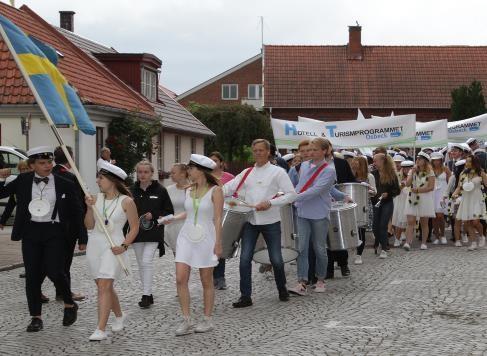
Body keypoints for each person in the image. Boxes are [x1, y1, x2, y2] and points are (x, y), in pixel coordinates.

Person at [0, 146, 82, 332]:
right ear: (32, 165)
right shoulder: (23, 180)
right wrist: (2, 179)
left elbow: (77, 212)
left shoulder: (65, 182)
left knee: (55, 271)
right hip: (30, 232)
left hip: (55, 232)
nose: (47, 166)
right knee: (32, 276)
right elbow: (1, 194)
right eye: (42, 163)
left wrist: (82, 237)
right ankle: (36, 317)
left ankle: (69, 303)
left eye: (49, 162)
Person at [224, 139, 297, 308]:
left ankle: (282, 289)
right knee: (244, 259)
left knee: (276, 259)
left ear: (268, 152)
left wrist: (271, 203)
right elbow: (227, 188)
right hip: (250, 220)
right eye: (255, 150)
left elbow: (291, 194)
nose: (258, 153)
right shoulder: (247, 172)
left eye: (261, 150)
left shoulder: (278, 172)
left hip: (271, 221)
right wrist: (211, 191)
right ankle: (245, 296)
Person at [165, 154, 223, 336]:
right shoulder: (189, 190)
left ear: (201, 170)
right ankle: (186, 320)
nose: (188, 171)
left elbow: (218, 218)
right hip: (186, 237)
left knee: (206, 280)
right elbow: (188, 213)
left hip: (206, 237)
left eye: (191, 168)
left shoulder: (216, 190)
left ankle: (207, 319)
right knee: (181, 278)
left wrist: (219, 243)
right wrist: (173, 218)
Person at [85, 161, 139, 341]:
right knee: (103, 286)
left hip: (114, 246)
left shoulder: (127, 201)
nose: (98, 181)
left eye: (101, 178)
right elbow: (89, 225)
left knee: (104, 286)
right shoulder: (95, 198)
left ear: (112, 180)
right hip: (95, 244)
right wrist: (89, 207)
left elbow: (134, 228)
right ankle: (119, 315)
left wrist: (124, 246)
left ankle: (100, 329)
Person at [289, 138, 344, 295]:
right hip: (302, 211)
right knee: (301, 247)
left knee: (319, 248)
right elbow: (300, 186)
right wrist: (289, 195)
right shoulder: (304, 166)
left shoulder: (329, 170)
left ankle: (320, 279)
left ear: (325, 151)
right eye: (310, 149)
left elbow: (317, 190)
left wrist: (293, 197)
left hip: (319, 212)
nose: (311, 152)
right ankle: (302, 282)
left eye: (315, 150)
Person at [46, 146, 88, 302]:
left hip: (47, 225)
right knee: (65, 261)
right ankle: (65, 292)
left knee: (51, 260)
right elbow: (78, 207)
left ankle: (57, 291)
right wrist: (82, 235)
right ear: (70, 158)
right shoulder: (70, 177)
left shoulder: (48, 174)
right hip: (67, 228)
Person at [130, 160, 174, 308]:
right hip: (136, 233)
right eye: (140, 172)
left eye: (145, 172)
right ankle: (147, 292)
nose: (142, 175)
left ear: (151, 173)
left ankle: (146, 295)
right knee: (141, 264)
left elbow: (169, 211)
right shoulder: (131, 191)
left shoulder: (160, 190)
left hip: (154, 232)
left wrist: (154, 216)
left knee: (147, 261)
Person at [209, 152, 234, 290]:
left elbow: (236, 194)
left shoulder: (229, 177)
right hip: (208, 215)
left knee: (220, 245)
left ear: (221, 162)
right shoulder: (205, 177)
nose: (213, 163)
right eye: (210, 160)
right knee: (208, 246)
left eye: (215, 160)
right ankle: (210, 276)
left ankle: (220, 278)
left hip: (224, 215)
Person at [452, 154, 487, 250]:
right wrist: (454, 194)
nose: (467, 163)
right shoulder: (463, 173)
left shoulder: (481, 173)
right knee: (468, 222)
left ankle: (481, 236)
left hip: (477, 199)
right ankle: (473, 243)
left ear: (475, 163)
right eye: (466, 161)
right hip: (466, 199)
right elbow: (459, 187)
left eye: (469, 161)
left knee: (475, 221)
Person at [403, 152, 436, 251]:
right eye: (417, 158)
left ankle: (424, 242)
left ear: (425, 161)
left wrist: (418, 190)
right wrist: (411, 173)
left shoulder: (430, 172)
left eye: (420, 159)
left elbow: (431, 187)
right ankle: (408, 242)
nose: (417, 160)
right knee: (410, 221)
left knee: (424, 222)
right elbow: (408, 184)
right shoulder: (412, 171)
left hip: (425, 197)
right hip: (412, 197)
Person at [371, 153, 400, 258]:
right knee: (375, 227)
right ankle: (379, 242)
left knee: (383, 225)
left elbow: (397, 190)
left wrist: (388, 194)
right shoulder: (373, 174)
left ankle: (384, 248)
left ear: (382, 161)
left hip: (387, 202)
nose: (374, 163)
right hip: (375, 202)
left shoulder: (391, 174)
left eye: (375, 161)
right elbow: (370, 187)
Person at [350, 156, 377, 264]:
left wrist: (367, 188)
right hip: (352, 205)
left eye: (356, 164)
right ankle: (352, 249)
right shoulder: (351, 175)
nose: (354, 165)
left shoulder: (369, 176)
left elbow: (375, 191)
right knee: (352, 230)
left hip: (364, 204)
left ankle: (359, 254)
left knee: (361, 230)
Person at [165, 164, 190, 253]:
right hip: (172, 227)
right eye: (170, 173)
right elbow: (165, 207)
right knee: (177, 257)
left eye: (173, 173)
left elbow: (192, 210)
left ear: (182, 174)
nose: (170, 175)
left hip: (187, 226)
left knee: (186, 257)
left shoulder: (192, 189)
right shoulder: (168, 189)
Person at [0, 159, 31, 228]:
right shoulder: (17, 182)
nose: (25, 171)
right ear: (19, 171)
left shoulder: (39, 180)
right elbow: (11, 203)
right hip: (24, 221)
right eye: (23, 169)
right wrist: (3, 221)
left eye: (27, 168)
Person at [392, 160, 414, 247]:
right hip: (401, 200)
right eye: (405, 168)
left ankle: (409, 239)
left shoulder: (414, 176)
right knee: (400, 221)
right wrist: (401, 186)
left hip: (411, 199)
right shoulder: (398, 176)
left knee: (410, 221)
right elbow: (396, 189)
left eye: (409, 168)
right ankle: (397, 239)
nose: (407, 170)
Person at [431, 152, 451, 245]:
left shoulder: (446, 169)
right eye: (434, 160)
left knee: (440, 216)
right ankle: (437, 237)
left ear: (441, 160)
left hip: (442, 194)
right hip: (432, 194)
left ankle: (443, 235)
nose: (436, 162)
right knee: (434, 217)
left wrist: (448, 193)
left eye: (438, 160)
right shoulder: (430, 169)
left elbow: (451, 181)